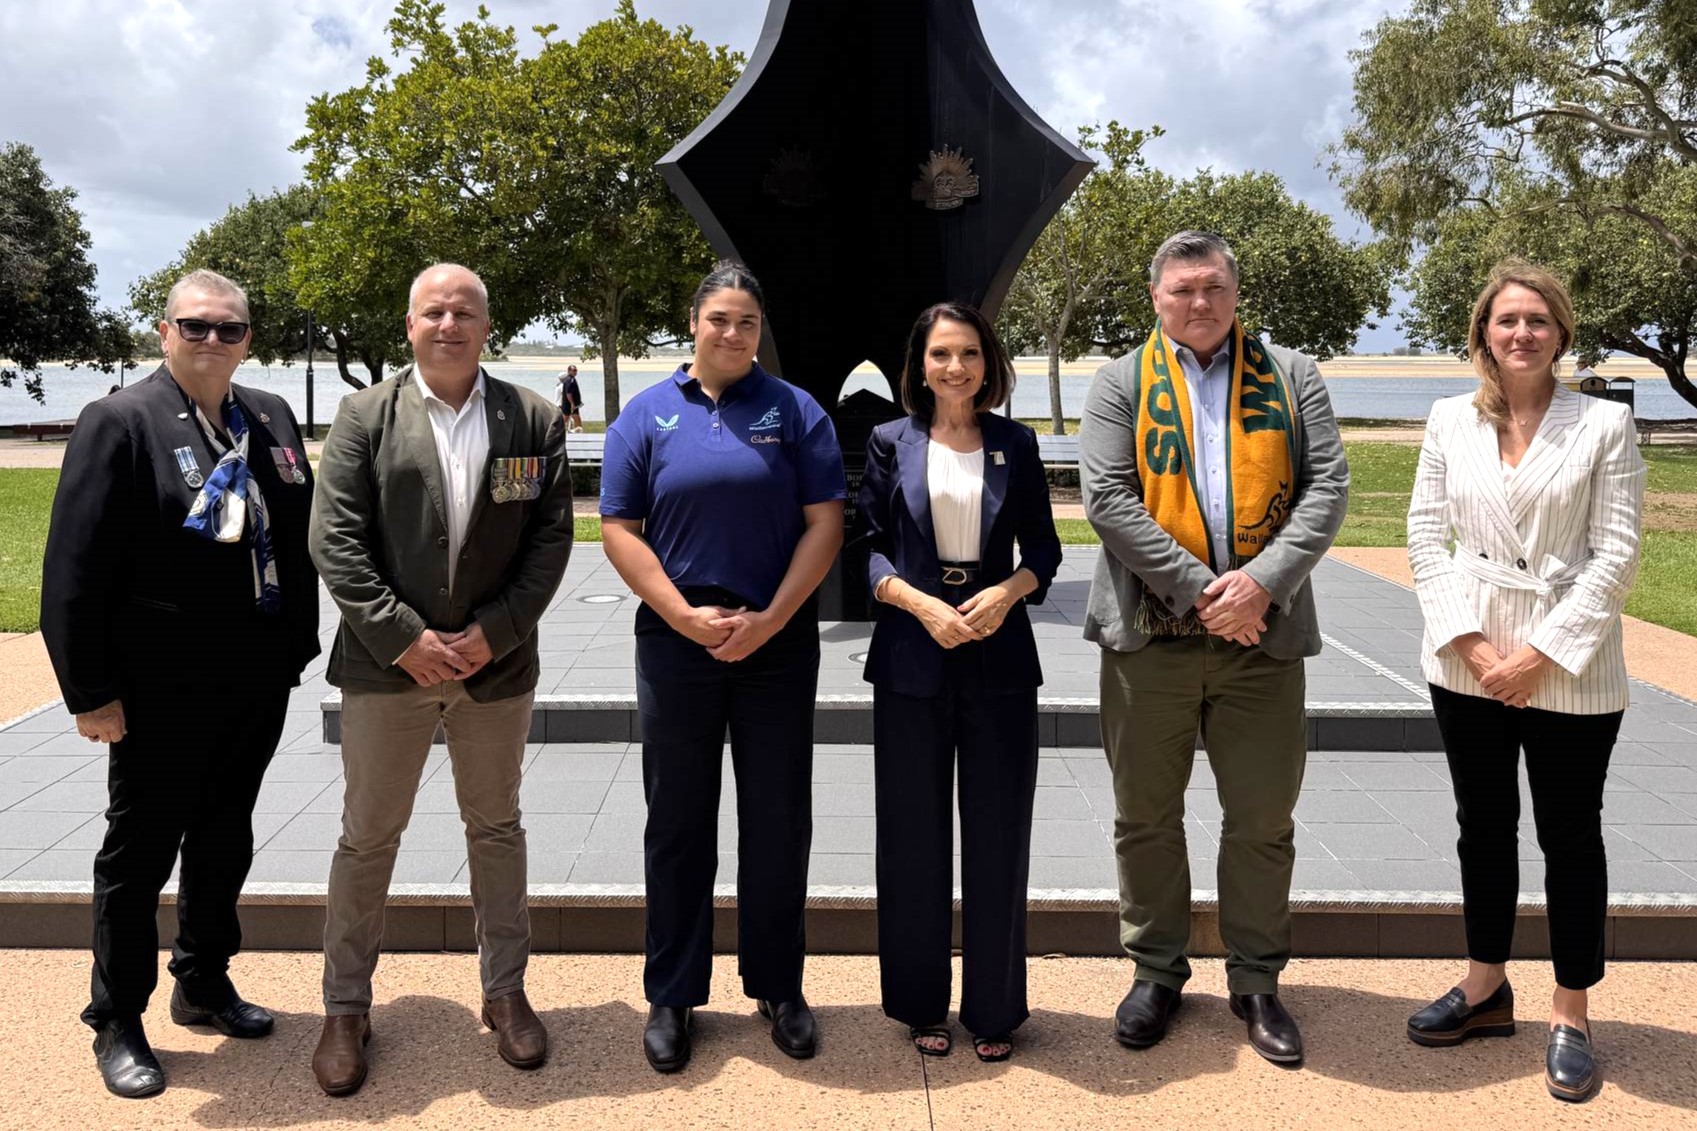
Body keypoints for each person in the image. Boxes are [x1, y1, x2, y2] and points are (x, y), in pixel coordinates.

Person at [40, 268, 321, 1098]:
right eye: (194, 325)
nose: (211, 339)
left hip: (253, 676)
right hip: (157, 686)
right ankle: (117, 1015)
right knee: (139, 852)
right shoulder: (120, 421)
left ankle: (202, 978)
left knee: (225, 835)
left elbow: (294, 533)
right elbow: (73, 567)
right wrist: (89, 690)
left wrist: (296, 645)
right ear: (165, 332)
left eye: (228, 328)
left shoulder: (269, 416)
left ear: (247, 340)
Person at [1080, 231, 1348, 1066]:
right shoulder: (1120, 381)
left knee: (1262, 818)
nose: (1199, 302)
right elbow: (1107, 498)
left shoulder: (1291, 375)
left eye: (1213, 286)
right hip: (1149, 636)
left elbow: (1327, 488)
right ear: (1155, 298)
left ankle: (1256, 978)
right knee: (1144, 816)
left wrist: (1259, 586)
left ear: (1235, 292)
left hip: (1261, 638)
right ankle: (1155, 970)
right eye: (1182, 289)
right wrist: (1204, 592)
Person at [308, 263, 573, 1096]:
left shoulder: (532, 418)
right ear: (410, 325)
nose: (448, 323)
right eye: (433, 311)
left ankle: (505, 990)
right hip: (387, 669)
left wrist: (494, 633)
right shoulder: (364, 416)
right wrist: (405, 638)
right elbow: (335, 540)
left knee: (496, 827)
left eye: (464, 311)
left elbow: (551, 541)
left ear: (487, 327)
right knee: (367, 836)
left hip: (495, 669)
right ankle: (346, 1006)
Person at [1404, 261, 1643, 1103]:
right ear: (1483, 332)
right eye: (1506, 319)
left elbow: (1616, 553)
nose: (1521, 333)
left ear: (1560, 333)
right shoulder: (1448, 418)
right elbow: (1424, 537)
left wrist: (1539, 654)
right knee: (1482, 825)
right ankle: (1484, 984)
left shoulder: (1604, 424)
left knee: (1569, 834)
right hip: (1464, 659)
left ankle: (1571, 1009)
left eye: (1537, 320)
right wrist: (1472, 647)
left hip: (1569, 663)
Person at [599, 260, 845, 1073]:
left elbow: (825, 523)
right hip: (677, 642)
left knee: (777, 818)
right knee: (677, 821)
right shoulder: (646, 415)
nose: (732, 333)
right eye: (719, 319)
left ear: (758, 329)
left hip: (776, 641)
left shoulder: (796, 411)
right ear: (693, 322)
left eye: (746, 321)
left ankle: (778, 985)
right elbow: (619, 527)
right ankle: (672, 992)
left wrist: (770, 618)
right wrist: (680, 614)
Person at [857, 303, 1061, 1062]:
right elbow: (868, 547)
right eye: (941, 353)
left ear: (988, 363)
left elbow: (1044, 549)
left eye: (969, 353)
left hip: (998, 657)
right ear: (920, 364)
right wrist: (916, 603)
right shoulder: (889, 441)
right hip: (911, 656)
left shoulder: (1016, 443)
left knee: (998, 833)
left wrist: (1007, 592)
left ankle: (995, 1007)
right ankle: (920, 1003)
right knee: (911, 835)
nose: (955, 367)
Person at [556, 363, 584, 433]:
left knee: (575, 417)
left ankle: (579, 431)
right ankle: (555, 431)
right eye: (573, 370)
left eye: (576, 370)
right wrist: (572, 404)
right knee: (566, 417)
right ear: (569, 371)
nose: (575, 372)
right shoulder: (570, 380)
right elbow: (568, 393)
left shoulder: (571, 379)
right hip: (569, 404)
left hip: (572, 404)